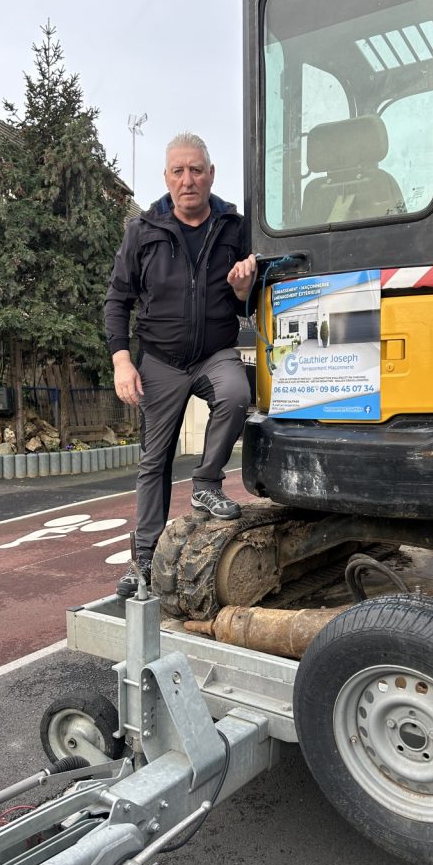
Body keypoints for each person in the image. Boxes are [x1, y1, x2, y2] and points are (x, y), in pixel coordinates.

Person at [104, 132, 258, 598]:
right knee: (153, 462)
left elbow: (256, 300)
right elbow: (117, 299)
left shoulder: (235, 227)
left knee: (236, 395)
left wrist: (241, 290)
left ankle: (208, 482)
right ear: (167, 178)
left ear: (211, 175)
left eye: (196, 170)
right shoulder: (143, 231)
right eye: (178, 171)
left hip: (215, 353)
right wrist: (121, 361)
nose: (187, 180)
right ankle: (145, 561)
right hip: (161, 360)